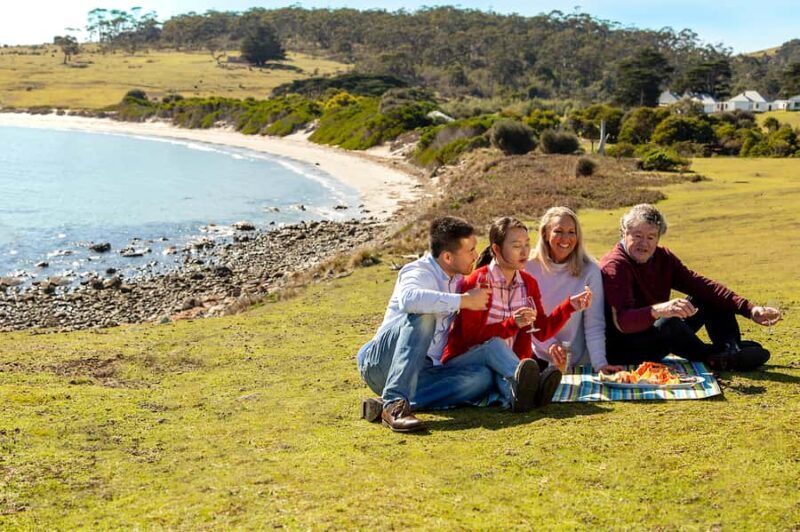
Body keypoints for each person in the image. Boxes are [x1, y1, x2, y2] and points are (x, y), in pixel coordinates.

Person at [357, 216, 543, 433]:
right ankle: (394, 404)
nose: (476, 255)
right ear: (447, 256)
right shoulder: (417, 271)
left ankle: (525, 388)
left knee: (482, 376)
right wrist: (464, 300)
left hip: (424, 370)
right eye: (470, 250)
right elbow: (410, 299)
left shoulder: (458, 280)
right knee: (423, 315)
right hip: (380, 364)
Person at [600, 203, 782, 371]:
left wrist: (751, 310)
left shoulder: (663, 258)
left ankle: (729, 347)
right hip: (625, 348)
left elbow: (700, 285)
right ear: (624, 233)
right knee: (668, 321)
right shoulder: (615, 266)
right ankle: (713, 357)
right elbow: (623, 322)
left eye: (650, 237)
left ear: (658, 239)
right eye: (637, 236)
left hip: (654, 333)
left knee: (707, 296)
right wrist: (659, 310)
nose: (644, 243)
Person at [442, 216, 593, 408]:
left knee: (504, 380)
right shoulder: (477, 282)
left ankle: (522, 398)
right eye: (516, 246)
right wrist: (513, 323)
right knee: (494, 346)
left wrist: (569, 306)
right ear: (496, 249)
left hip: (502, 368)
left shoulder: (528, 283)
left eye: (527, 244)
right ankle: (533, 385)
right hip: (466, 361)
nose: (524, 252)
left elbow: (540, 330)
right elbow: (472, 338)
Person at [526, 207, 623, 374]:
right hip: (534, 351)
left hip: (573, 356)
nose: (566, 238)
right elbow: (527, 321)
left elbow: (594, 323)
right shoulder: (528, 267)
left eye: (572, 232)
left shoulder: (590, 270)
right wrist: (549, 345)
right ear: (545, 234)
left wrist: (600, 364)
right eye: (558, 231)